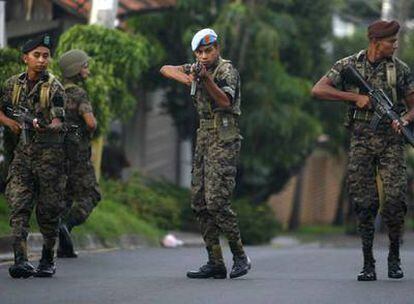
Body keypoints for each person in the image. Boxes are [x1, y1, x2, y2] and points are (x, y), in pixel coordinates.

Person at [312, 20, 414, 281]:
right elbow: (318, 89)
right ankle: (368, 262)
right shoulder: (349, 65)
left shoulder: (400, 70)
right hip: (361, 142)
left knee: (394, 201)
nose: (396, 45)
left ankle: (394, 256)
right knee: (364, 203)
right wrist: (354, 98)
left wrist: (404, 120)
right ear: (375, 42)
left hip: (391, 143)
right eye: (391, 41)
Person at [160, 28, 251, 279]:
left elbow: (225, 102)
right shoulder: (196, 67)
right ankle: (215, 261)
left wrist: (205, 80)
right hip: (204, 138)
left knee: (217, 202)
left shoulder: (226, 71)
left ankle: (240, 256)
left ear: (217, 49)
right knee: (199, 203)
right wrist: (189, 78)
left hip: (224, 138)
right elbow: (165, 69)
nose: (203, 56)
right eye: (199, 52)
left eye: (208, 51)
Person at [0, 34, 67, 278]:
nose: (41, 60)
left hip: (50, 159)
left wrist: (45, 126)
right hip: (22, 157)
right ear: (25, 58)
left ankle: (48, 259)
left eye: (46, 56)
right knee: (18, 205)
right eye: (36, 55)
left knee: (48, 212)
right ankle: (20, 260)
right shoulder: (12, 85)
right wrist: (9, 122)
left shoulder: (54, 87)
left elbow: (60, 120)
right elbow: (1, 108)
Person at [57, 49, 101, 258]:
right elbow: (90, 122)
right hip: (78, 155)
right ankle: (67, 224)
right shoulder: (79, 94)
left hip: (57, 154)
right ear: (76, 69)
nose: (87, 69)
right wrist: (92, 127)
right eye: (85, 65)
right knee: (91, 195)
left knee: (65, 197)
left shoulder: (55, 91)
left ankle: (63, 246)